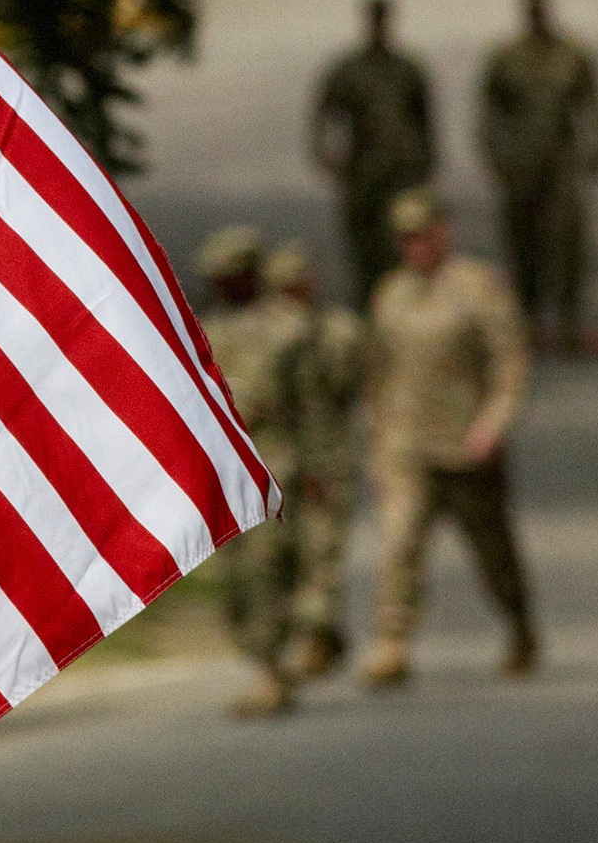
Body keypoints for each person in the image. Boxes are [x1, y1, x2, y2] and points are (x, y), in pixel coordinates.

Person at [361, 189, 539, 684]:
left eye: (424, 234)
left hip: (466, 447)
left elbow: (511, 366)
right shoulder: (390, 294)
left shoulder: (478, 288)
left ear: (444, 232)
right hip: (407, 445)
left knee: (493, 551)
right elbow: (377, 375)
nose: (417, 246)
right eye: (406, 238)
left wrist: (494, 423)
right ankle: (392, 645)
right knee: (398, 545)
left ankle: (519, 623)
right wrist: (377, 443)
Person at [196, 225, 313, 716]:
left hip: (275, 464)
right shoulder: (211, 330)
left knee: (268, 569)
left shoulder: (287, 328)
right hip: (227, 473)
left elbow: (299, 403)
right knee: (237, 579)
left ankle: (273, 668)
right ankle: (265, 659)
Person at [479, 0, 598, 352]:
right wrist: (496, 156)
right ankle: (527, 318)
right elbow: (491, 113)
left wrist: (597, 152)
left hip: (560, 165)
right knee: (522, 244)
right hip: (521, 165)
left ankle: (569, 320)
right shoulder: (506, 58)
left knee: (568, 242)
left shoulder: (570, 56)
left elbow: (592, 107)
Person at [263, 241, 364, 680]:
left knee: (322, 550)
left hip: (328, 456)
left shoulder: (336, 330)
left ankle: (318, 636)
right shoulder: (263, 333)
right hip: (283, 458)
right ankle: (315, 631)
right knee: (285, 552)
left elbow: (349, 383)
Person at [312, 0, 438, 306]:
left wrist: (425, 163)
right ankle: (368, 309)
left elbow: (424, 120)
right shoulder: (350, 70)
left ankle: (402, 311)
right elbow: (324, 113)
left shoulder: (406, 69)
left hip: (401, 173)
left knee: (404, 244)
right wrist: (326, 154)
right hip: (363, 173)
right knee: (364, 251)